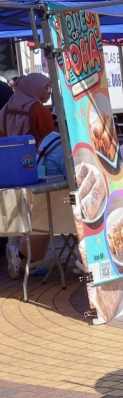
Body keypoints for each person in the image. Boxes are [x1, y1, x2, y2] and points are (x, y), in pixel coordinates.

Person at [0, 74, 57, 279]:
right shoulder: (39, 110)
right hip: (37, 169)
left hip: (9, 171)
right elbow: (53, 139)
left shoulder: (5, 110)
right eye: (46, 88)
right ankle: (32, 257)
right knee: (46, 211)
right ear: (34, 88)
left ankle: (18, 249)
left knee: (18, 211)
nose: (48, 92)